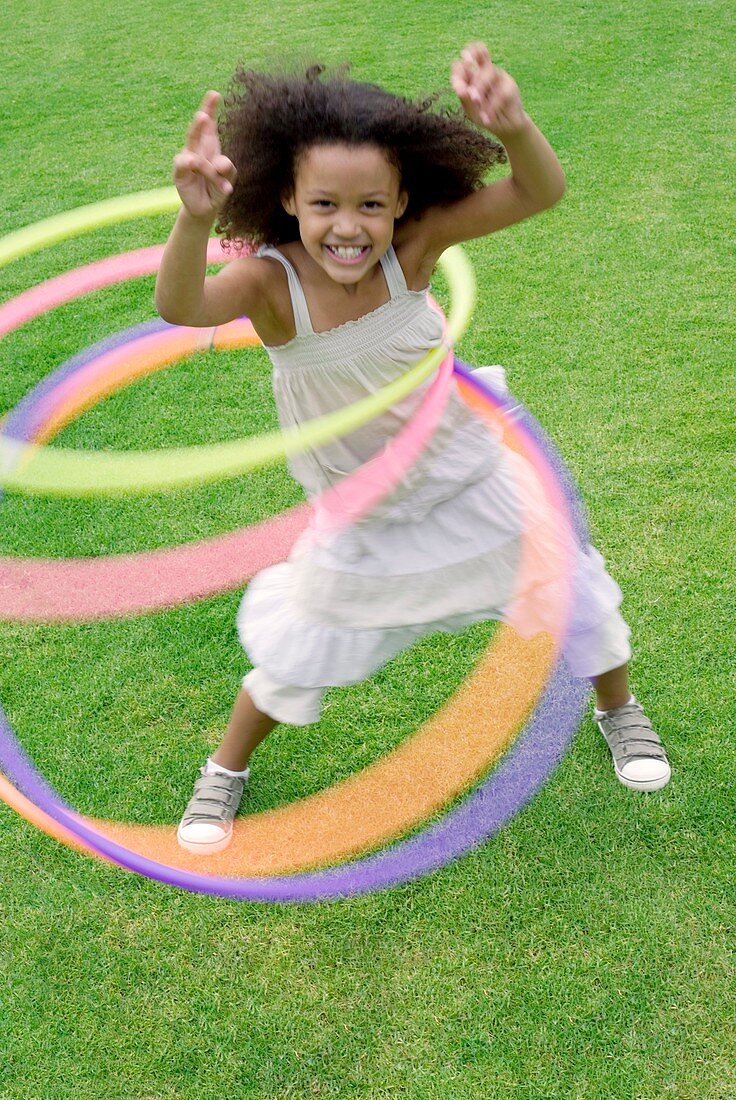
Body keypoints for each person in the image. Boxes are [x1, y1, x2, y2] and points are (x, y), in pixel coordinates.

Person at [155, 43, 671, 855]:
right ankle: (226, 769)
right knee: (307, 638)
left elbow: (541, 189)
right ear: (288, 198)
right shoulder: (269, 286)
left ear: (402, 202)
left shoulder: (414, 253)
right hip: (362, 509)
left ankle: (618, 711)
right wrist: (193, 218)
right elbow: (181, 307)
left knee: (571, 584)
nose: (348, 227)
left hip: (467, 475)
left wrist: (515, 126)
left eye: (371, 204)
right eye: (324, 203)